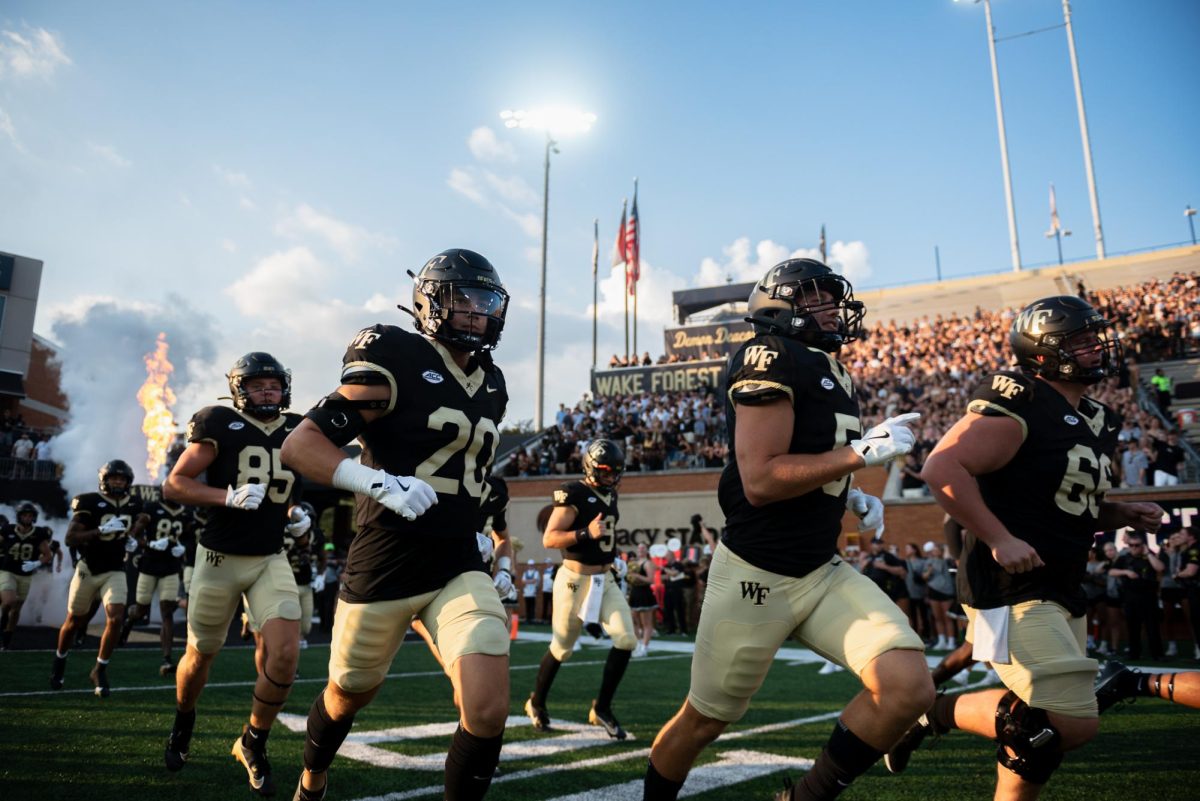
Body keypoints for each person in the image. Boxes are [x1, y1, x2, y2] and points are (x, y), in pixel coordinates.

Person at [643, 258, 933, 801]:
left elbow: (810, 461)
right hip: (758, 574)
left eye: (830, 298)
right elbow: (761, 479)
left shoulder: (831, 367)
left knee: (907, 688)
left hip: (821, 570)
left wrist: (851, 494)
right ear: (782, 308)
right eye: (817, 299)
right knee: (703, 722)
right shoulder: (769, 355)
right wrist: (859, 454)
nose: (831, 309)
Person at [885, 296, 1165, 799]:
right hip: (1012, 585)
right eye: (1080, 341)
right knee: (1074, 721)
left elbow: (1055, 501)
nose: (1096, 347)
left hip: (1060, 579)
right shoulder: (1022, 400)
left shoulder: (1097, 418)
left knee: (1039, 732)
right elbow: (941, 468)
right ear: (1043, 353)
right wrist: (999, 538)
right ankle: (931, 711)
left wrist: (1117, 512)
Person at [281, 248, 512, 801]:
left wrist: (482, 535)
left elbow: (465, 472)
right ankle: (312, 776)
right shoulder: (395, 354)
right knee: (349, 691)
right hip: (387, 555)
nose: (477, 312)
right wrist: (377, 482)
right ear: (430, 302)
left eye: (486, 301)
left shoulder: (494, 381)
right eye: (463, 299)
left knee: (487, 707)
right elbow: (300, 445)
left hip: (457, 561)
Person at [162, 352, 307, 797]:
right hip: (219, 558)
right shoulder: (218, 423)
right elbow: (175, 483)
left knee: (284, 654)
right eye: (258, 385)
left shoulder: (298, 429)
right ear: (239, 389)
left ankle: (252, 741)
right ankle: (184, 719)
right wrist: (225, 496)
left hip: (269, 556)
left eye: (274, 385)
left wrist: (295, 512)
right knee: (201, 654)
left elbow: (301, 479)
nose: (268, 392)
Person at [525, 439, 637, 740]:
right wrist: (587, 532)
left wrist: (615, 558)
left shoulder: (610, 493)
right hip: (574, 580)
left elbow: (605, 537)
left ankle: (602, 708)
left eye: (616, 471)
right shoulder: (573, 492)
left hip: (605, 580)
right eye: (606, 470)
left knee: (626, 639)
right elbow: (550, 538)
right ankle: (536, 702)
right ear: (590, 467)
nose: (612, 476)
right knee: (562, 648)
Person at [52, 460, 150, 696]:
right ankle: (59, 662)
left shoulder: (135, 503)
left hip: (115, 569)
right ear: (104, 480)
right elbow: (70, 538)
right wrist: (99, 532)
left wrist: (135, 539)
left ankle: (99, 669)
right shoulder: (88, 502)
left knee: (116, 618)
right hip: (89, 568)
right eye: (114, 478)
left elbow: (141, 530)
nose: (118, 482)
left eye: (122, 479)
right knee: (74, 621)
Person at [120, 497, 194, 675]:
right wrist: (149, 544)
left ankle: (167, 659)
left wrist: (183, 547)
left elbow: (189, 538)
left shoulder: (185, 512)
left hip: (171, 567)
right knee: (140, 611)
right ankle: (129, 621)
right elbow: (133, 535)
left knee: (167, 612)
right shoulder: (151, 509)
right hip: (150, 566)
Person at [0, 502, 53, 650]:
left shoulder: (39, 533)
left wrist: (36, 563)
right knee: (9, 601)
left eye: (30, 515)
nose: (28, 518)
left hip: (25, 575)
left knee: (16, 609)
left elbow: (47, 555)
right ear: (19, 516)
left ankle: (7, 637)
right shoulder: (8, 529)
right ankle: (2, 621)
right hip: (7, 571)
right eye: (25, 515)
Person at [1109, 533, 1164, 660]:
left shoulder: (1149, 557)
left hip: (1148, 596)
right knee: (1132, 626)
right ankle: (1134, 653)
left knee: (1152, 626)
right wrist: (1126, 572)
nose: (1133, 547)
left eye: (1137, 545)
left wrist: (1148, 553)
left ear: (1142, 545)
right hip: (1130, 596)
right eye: (1131, 545)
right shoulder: (1124, 558)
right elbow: (1112, 571)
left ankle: (1157, 654)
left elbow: (1160, 568)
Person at [626, 542, 657, 657]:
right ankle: (638, 644)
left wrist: (637, 576)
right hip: (635, 592)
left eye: (643, 548)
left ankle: (644, 647)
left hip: (644, 593)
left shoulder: (648, 563)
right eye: (639, 548)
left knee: (646, 623)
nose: (640, 550)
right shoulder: (634, 563)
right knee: (633, 620)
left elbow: (651, 580)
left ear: (647, 550)